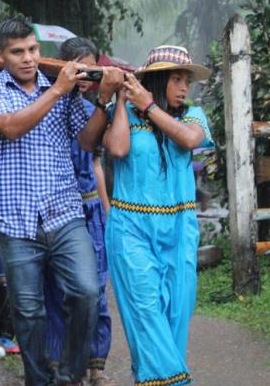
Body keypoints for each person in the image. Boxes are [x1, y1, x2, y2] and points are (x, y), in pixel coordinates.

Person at [0, 18, 123, 386]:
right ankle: (38, 380)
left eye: (33, 50)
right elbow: (9, 127)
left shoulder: (66, 91)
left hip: (65, 213)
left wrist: (102, 99)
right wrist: (56, 90)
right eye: (17, 51)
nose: (27, 58)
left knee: (87, 292)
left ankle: (69, 377)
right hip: (16, 221)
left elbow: (88, 142)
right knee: (28, 311)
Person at [103, 45, 213, 386]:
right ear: (157, 80)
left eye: (187, 81)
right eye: (176, 79)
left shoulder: (193, 115)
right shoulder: (127, 113)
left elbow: (190, 139)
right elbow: (117, 148)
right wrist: (122, 99)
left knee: (175, 316)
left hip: (179, 231)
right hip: (131, 229)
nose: (184, 87)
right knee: (146, 311)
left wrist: (149, 106)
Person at [43, 37, 114, 386]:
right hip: (58, 208)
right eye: (79, 67)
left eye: (90, 68)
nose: (84, 76)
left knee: (96, 289)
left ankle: (95, 365)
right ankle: (59, 361)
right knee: (58, 289)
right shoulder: (49, 106)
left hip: (88, 207)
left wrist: (106, 207)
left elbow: (96, 163)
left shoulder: (95, 111)